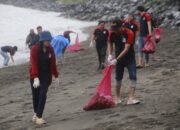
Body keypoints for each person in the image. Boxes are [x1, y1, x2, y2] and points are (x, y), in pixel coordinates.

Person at [108, 17, 140, 105]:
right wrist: (110, 55)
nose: (114, 30)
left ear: (121, 26)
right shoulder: (112, 33)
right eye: (113, 29)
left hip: (129, 58)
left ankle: (131, 98)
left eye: (116, 28)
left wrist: (116, 59)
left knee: (133, 76)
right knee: (118, 78)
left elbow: (126, 48)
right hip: (118, 59)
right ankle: (117, 98)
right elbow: (110, 43)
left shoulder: (129, 33)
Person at [29, 31, 59, 125]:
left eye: (50, 40)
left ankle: (39, 116)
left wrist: (56, 75)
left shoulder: (51, 49)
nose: (49, 42)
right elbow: (33, 63)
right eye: (47, 40)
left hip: (46, 76)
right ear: (42, 40)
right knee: (36, 96)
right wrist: (35, 77)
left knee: (43, 95)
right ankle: (35, 113)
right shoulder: (35, 49)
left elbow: (53, 63)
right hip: (35, 76)